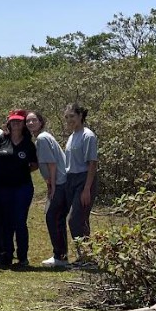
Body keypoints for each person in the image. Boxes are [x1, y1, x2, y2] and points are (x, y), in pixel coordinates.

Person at [0, 110, 38, 267]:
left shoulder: (28, 143)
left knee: (20, 221)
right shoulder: (0, 140)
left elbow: (34, 164)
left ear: (23, 124)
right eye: (13, 121)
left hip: (22, 188)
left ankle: (22, 257)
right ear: (8, 124)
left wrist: (19, 172)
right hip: (1, 188)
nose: (16, 124)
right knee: (6, 222)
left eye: (18, 121)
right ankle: (7, 255)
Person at [27, 111, 70, 268]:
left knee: (53, 217)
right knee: (57, 218)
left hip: (60, 183)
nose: (31, 123)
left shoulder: (42, 138)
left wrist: (52, 185)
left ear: (41, 122)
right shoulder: (43, 137)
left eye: (34, 120)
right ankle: (61, 255)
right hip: (59, 182)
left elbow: (52, 164)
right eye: (28, 121)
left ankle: (60, 256)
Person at [63, 103, 98, 261]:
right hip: (71, 179)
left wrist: (87, 189)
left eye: (72, 116)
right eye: (67, 117)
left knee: (74, 219)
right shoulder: (72, 136)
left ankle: (85, 256)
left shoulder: (87, 135)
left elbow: (92, 163)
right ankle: (86, 256)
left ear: (80, 116)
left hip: (84, 179)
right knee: (82, 219)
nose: (69, 120)